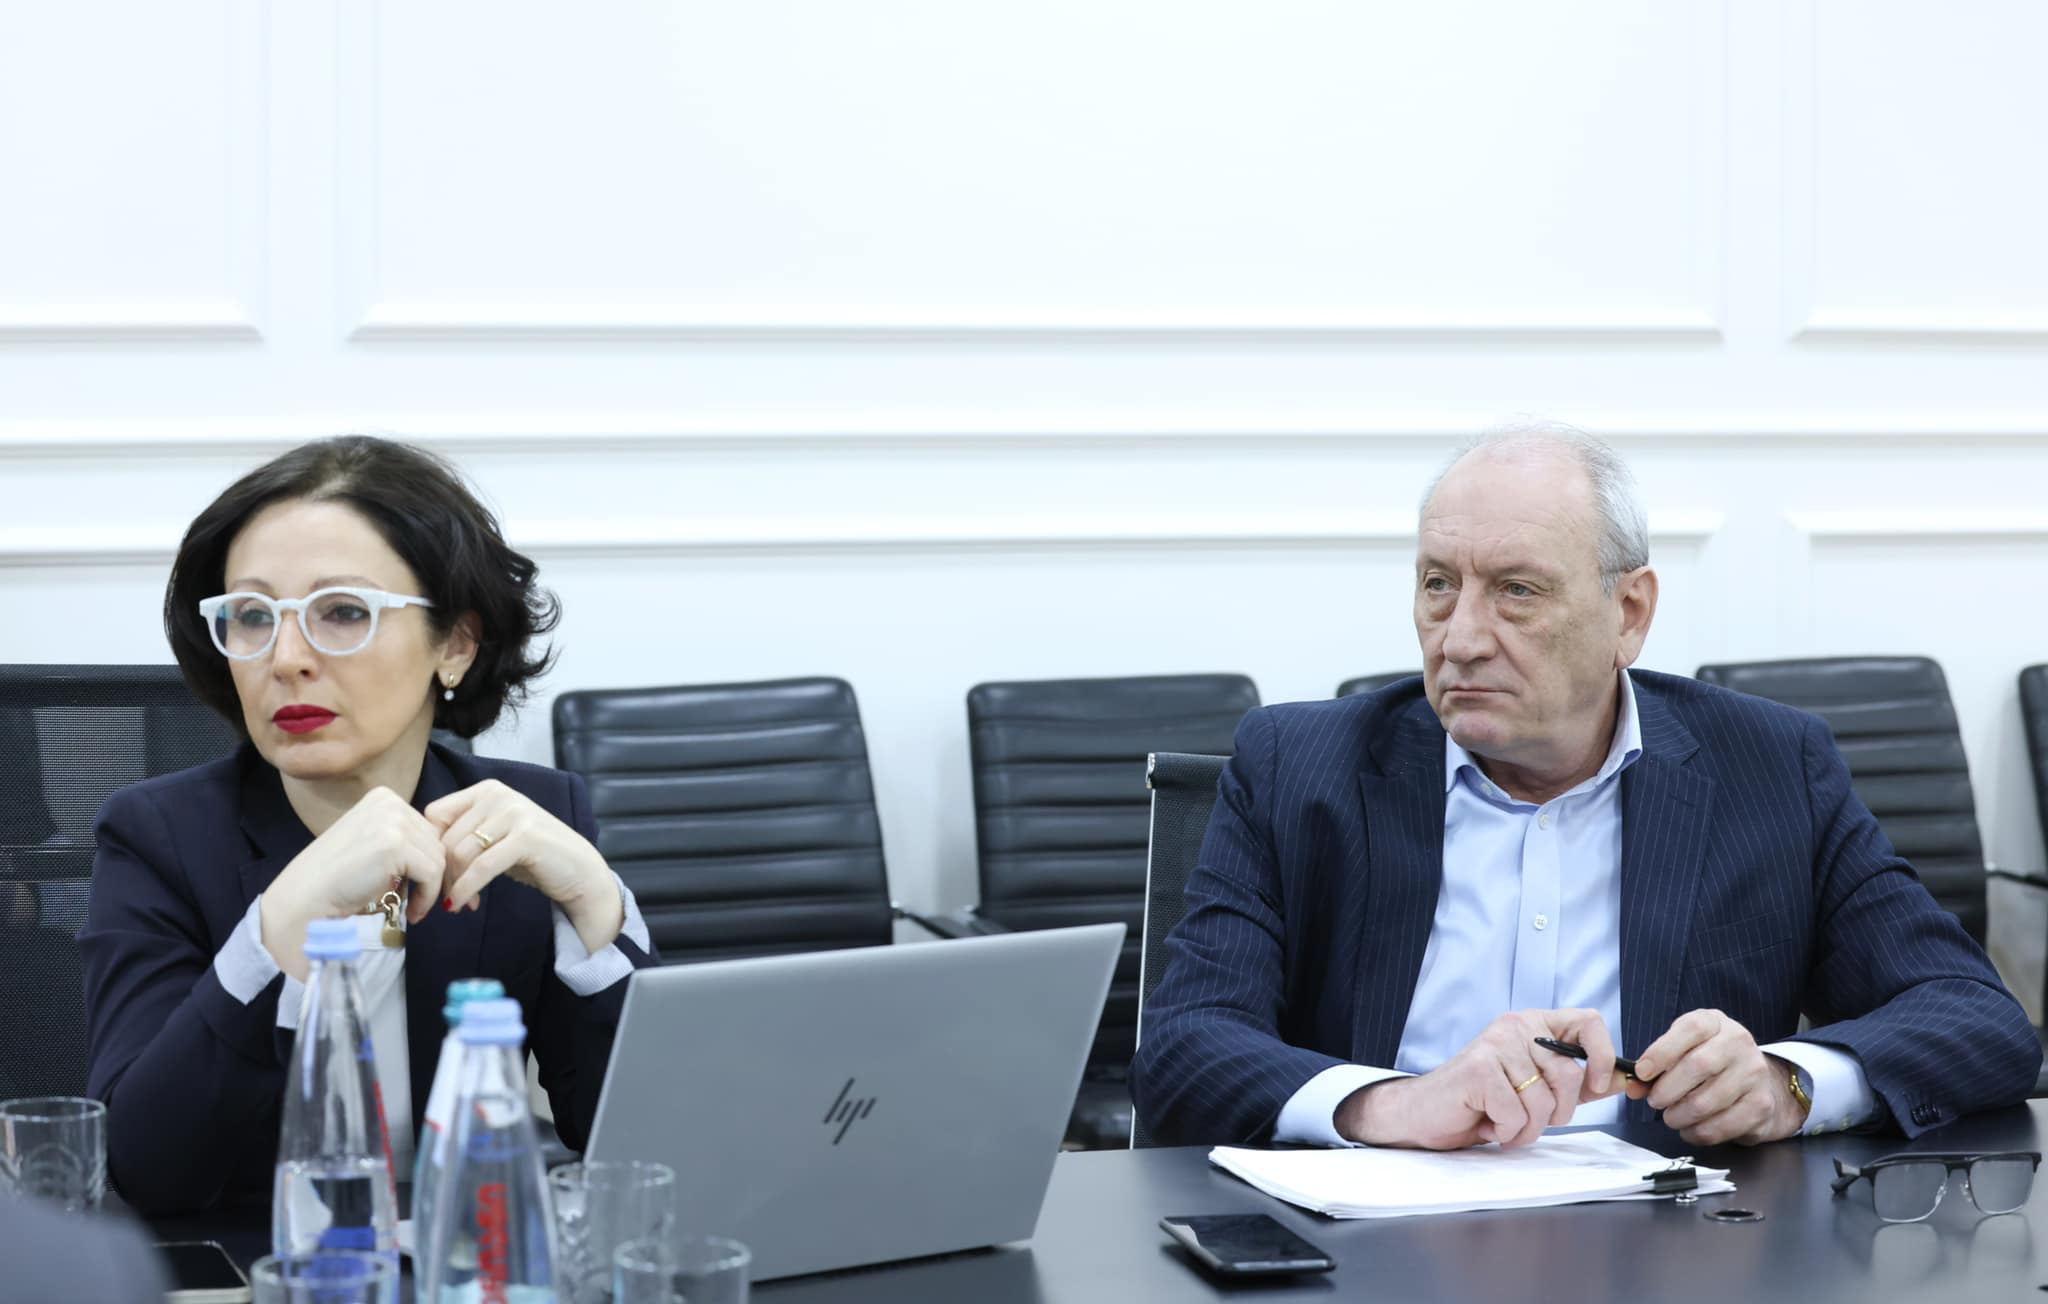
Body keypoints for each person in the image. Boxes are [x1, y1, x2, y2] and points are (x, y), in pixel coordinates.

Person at [1130, 423, 2040, 1151]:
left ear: (1628, 613)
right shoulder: (1298, 767)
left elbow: (1978, 1022)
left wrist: (1785, 1085)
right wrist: (1394, 1103)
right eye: (1438, 585)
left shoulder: (1771, 768)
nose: (1461, 638)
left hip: (1675, 1255)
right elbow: (1181, 1050)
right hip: (1372, 1252)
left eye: (1517, 591)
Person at [79, 435, 659, 1215]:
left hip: (462, 1254)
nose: (286, 658)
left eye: (344, 612)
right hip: (254, 1262)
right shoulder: (157, 838)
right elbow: (143, 1169)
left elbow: (648, 1151)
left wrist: (598, 907)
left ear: (455, 644)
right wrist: (279, 927)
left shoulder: (532, 821)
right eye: (252, 616)